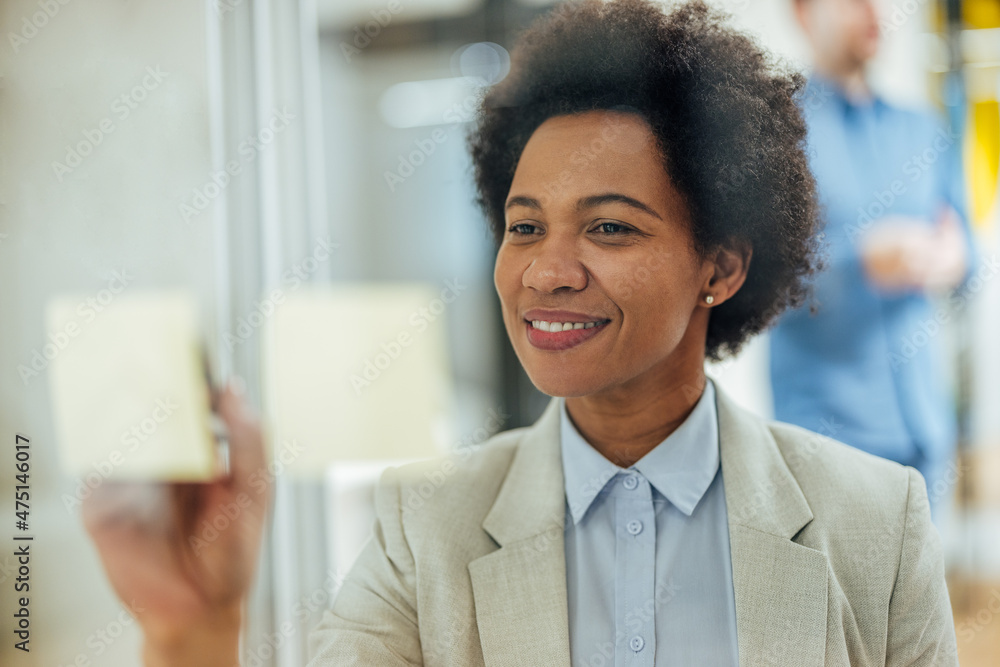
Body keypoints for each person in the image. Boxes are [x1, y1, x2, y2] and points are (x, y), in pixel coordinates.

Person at [81, 0, 958, 665]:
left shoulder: (875, 523)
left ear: (720, 268)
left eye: (610, 227)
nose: (546, 270)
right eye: (526, 225)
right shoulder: (426, 522)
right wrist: (190, 629)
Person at [770, 0, 977, 522]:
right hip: (826, 444)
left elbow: (967, 254)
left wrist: (957, 258)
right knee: (837, 605)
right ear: (802, 12)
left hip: (924, 436)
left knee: (924, 603)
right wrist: (860, 259)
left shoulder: (924, 130)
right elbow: (754, 277)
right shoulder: (778, 135)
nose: (871, 9)